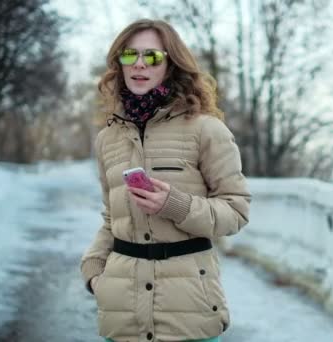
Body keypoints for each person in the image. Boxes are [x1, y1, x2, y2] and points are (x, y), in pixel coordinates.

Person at [80, 18, 251, 342]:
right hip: (121, 317)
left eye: (152, 57)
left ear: (170, 64)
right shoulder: (107, 139)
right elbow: (110, 219)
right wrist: (93, 271)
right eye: (129, 55)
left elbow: (236, 211)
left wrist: (175, 205)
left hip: (190, 315)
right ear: (119, 63)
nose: (140, 64)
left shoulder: (206, 130)